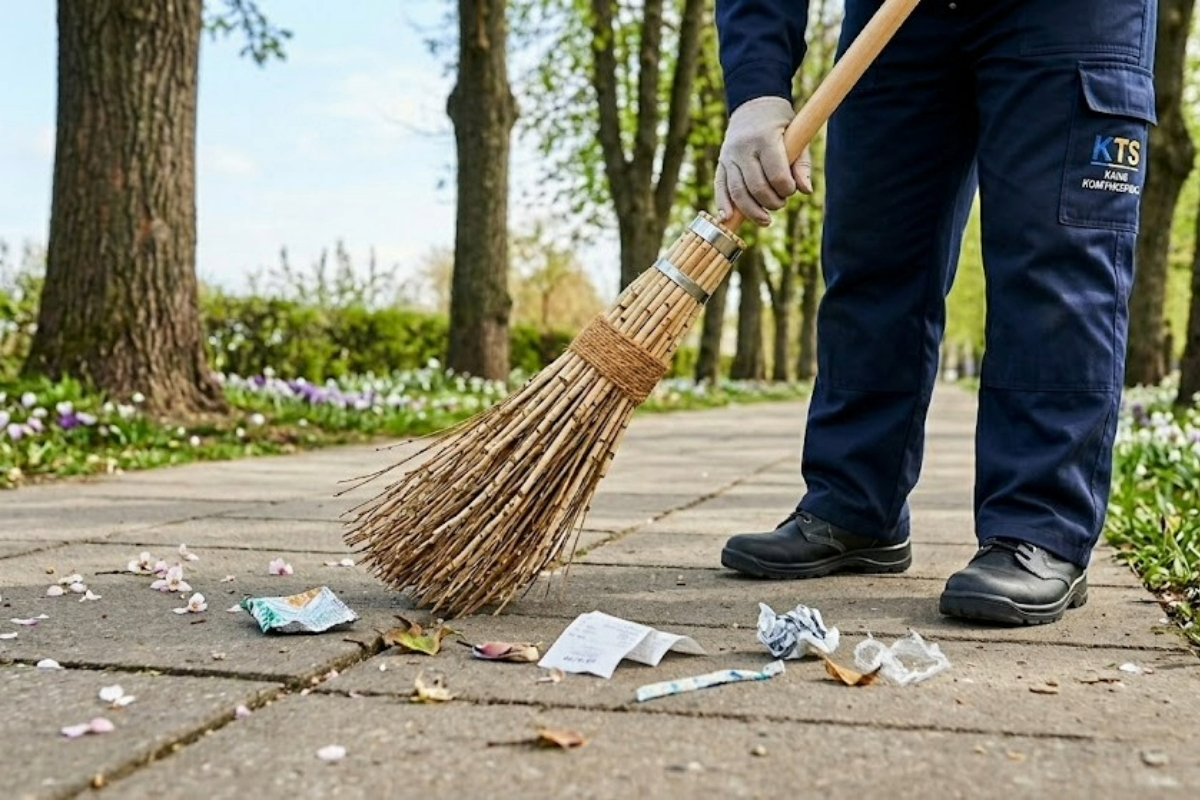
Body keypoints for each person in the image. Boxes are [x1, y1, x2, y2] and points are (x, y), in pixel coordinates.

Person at [713, 0, 1157, 625]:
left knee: (1053, 261)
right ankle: (855, 505)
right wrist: (757, 88)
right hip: (895, 23)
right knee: (873, 253)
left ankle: (1039, 526)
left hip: (1071, 18)